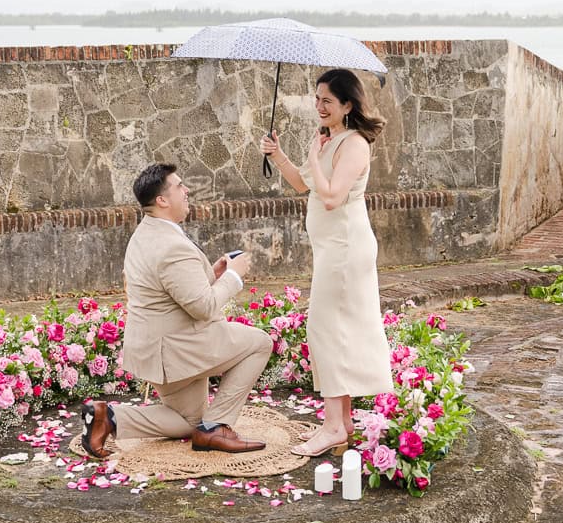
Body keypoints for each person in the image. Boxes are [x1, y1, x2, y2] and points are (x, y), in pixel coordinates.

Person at [81, 163, 272, 457]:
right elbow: (203, 308)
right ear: (162, 200)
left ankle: (110, 418)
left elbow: (172, 288)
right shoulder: (171, 245)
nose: (187, 191)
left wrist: (213, 273)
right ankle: (217, 426)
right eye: (180, 186)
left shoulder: (146, 233)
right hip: (178, 349)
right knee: (260, 342)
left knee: (188, 422)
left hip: (155, 350)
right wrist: (235, 276)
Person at [260, 68, 395, 457]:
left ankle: (334, 426)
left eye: (327, 101)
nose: (319, 106)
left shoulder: (353, 144)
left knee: (324, 328)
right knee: (334, 330)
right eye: (316, 99)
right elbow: (304, 185)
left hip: (346, 248)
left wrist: (316, 159)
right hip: (331, 249)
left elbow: (333, 196)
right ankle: (343, 422)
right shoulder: (329, 139)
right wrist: (280, 155)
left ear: (347, 105)